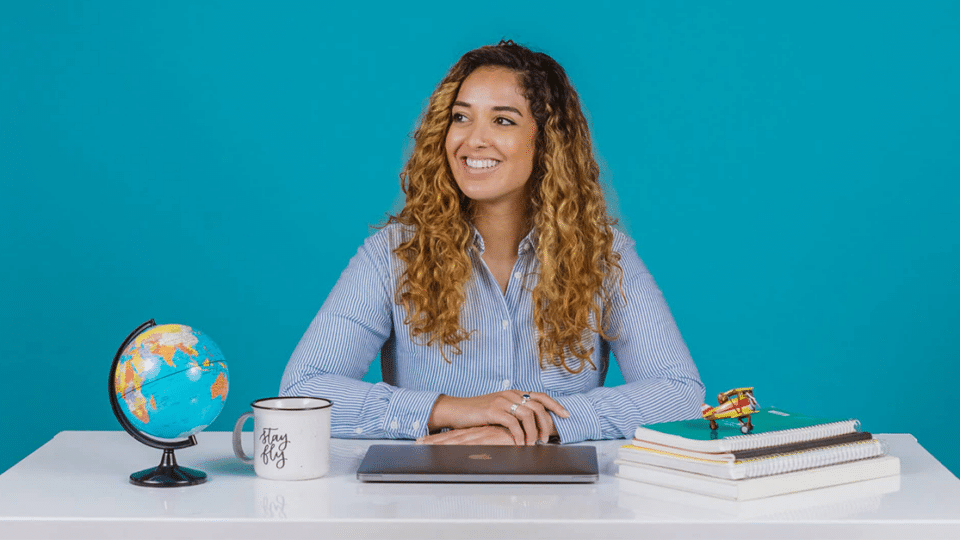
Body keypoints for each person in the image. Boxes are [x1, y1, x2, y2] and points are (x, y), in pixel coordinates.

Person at [280, 40, 704, 445]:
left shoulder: (603, 256)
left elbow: (680, 392)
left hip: (562, 506)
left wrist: (534, 426)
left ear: (546, 143)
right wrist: (449, 409)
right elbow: (302, 391)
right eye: (461, 117)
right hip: (428, 500)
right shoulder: (393, 255)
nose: (472, 140)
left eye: (503, 120)